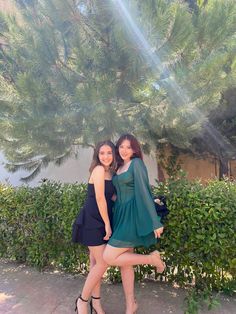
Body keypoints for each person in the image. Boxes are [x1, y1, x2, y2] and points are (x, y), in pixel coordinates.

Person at [103, 134, 166, 314]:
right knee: (125, 263)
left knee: (109, 256)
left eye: (128, 147)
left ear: (134, 149)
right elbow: (118, 192)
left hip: (131, 216)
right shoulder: (120, 166)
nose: (124, 150)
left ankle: (152, 259)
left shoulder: (136, 164)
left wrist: (155, 221)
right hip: (120, 215)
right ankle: (131, 305)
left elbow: (144, 191)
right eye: (121, 147)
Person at [72, 140, 116, 314]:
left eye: (109, 153)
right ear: (97, 155)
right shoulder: (98, 170)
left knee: (96, 264)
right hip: (93, 220)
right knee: (103, 262)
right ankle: (82, 300)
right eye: (102, 153)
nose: (105, 156)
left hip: (104, 218)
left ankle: (96, 303)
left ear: (113, 155)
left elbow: (111, 197)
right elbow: (99, 198)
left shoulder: (111, 173)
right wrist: (107, 224)